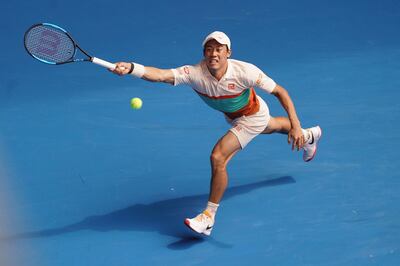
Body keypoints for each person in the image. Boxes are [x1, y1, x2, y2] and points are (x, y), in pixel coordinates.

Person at [111, 31, 322, 236]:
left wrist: (295, 123)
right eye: (209, 49)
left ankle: (208, 218)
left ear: (228, 52)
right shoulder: (194, 73)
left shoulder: (245, 71)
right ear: (204, 53)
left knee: (218, 156)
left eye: (219, 49)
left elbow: (280, 91)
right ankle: (310, 136)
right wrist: (131, 68)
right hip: (235, 115)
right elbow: (161, 75)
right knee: (273, 125)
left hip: (252, 116)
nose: (213, 53)